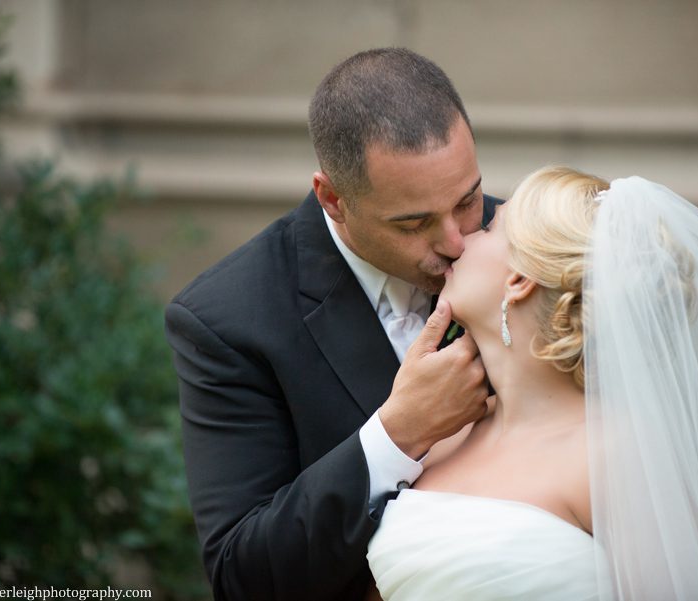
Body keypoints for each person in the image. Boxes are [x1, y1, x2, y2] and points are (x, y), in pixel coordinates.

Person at [367, 166, 698, 600]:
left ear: (519, 278)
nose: (461, 240)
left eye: (488, 228)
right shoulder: (445, 432)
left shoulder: (621, 456)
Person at [164, 48, 499, 601]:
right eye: (413, 223)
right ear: (334, 199)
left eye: (467, 200)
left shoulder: (530, 250)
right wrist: (398, 434)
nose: (456, 242)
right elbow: (243, 575)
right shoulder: (226, 321)